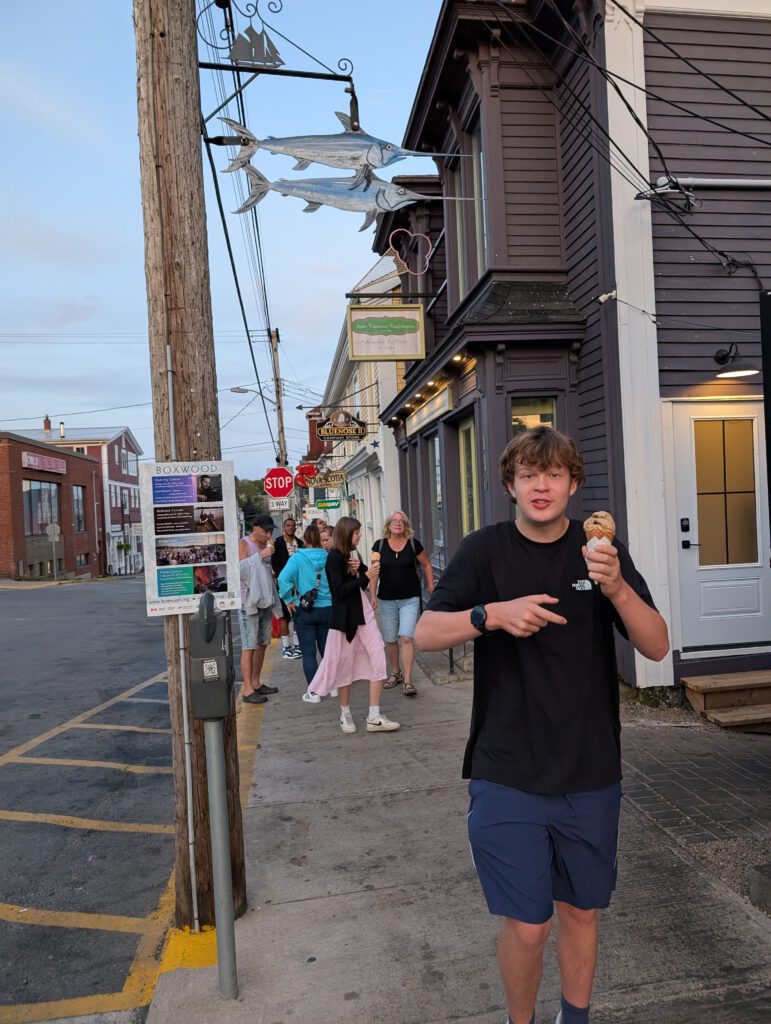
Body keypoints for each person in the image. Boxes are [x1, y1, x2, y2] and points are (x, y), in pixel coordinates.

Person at [414, 427, 669, 1024]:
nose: (541, 486)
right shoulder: (484, 550)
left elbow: (657, 645)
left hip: (590, 768)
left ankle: (574, 1018)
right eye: (528, 475)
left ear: (573, 484)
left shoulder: (600, 551)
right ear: (510, 485)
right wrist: (490, 614)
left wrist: (616, 586)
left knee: (580, 911)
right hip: (507, 769)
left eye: (554, 474)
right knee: (529, 925)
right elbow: (424, 633)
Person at [306, 517, 400, 736]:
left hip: (362, 612)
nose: (360, 536)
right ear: (347, 533)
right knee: (344, 664)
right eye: (357, 532)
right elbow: (339, 591)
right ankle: (345, 713)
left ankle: (374, 716)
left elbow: (362, 580)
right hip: (345, 618)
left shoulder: (351, 554)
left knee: (378, 656)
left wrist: (362, 569)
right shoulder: (334, 558)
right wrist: (364, 576)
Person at [372, 510, 435, 698]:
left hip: (410, 599)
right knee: (391, 639)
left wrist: (431, 586)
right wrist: (372, 595)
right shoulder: (379, 546)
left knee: (406, 637)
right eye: (395, 521)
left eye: (402, 521)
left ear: (405, 525)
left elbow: (427, 564)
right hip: (387, 599)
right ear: (389, 525)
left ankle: (408, 681)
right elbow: (374, 572)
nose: (398, 524)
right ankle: (396, 673)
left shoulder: (414, 544)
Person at [278, 524, 334, 698]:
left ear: (305, 540)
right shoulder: (328, 557)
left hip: (305, 610)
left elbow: (283, 578)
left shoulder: (297, 558)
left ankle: (314, 692)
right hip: (327, 608)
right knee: (327, 651)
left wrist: (289, 599)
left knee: (308, 653)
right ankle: (332, 686)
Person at [238, 513, 283, 704]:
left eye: (270, 531)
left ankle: (256, 682)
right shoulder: (244, 544)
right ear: (255, 528)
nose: (268, 535)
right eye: (265, 531)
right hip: (249, 602)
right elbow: (238, 570)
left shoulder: (266, 545)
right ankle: (248, 690)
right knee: (249, 645)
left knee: (263, 643)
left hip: (265, 600)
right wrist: (260, 556)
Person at [271, 517, 303, 660]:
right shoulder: (277, 543)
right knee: (284, 617)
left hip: (299, 585)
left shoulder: (300, 543)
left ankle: (296, 645)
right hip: (284, 584)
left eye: (293, 525)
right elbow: (275, 564)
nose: (291, 527)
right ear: (284, 527)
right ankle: (286, 647)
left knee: (297, 615)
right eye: (288, 525)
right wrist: (284, 576)